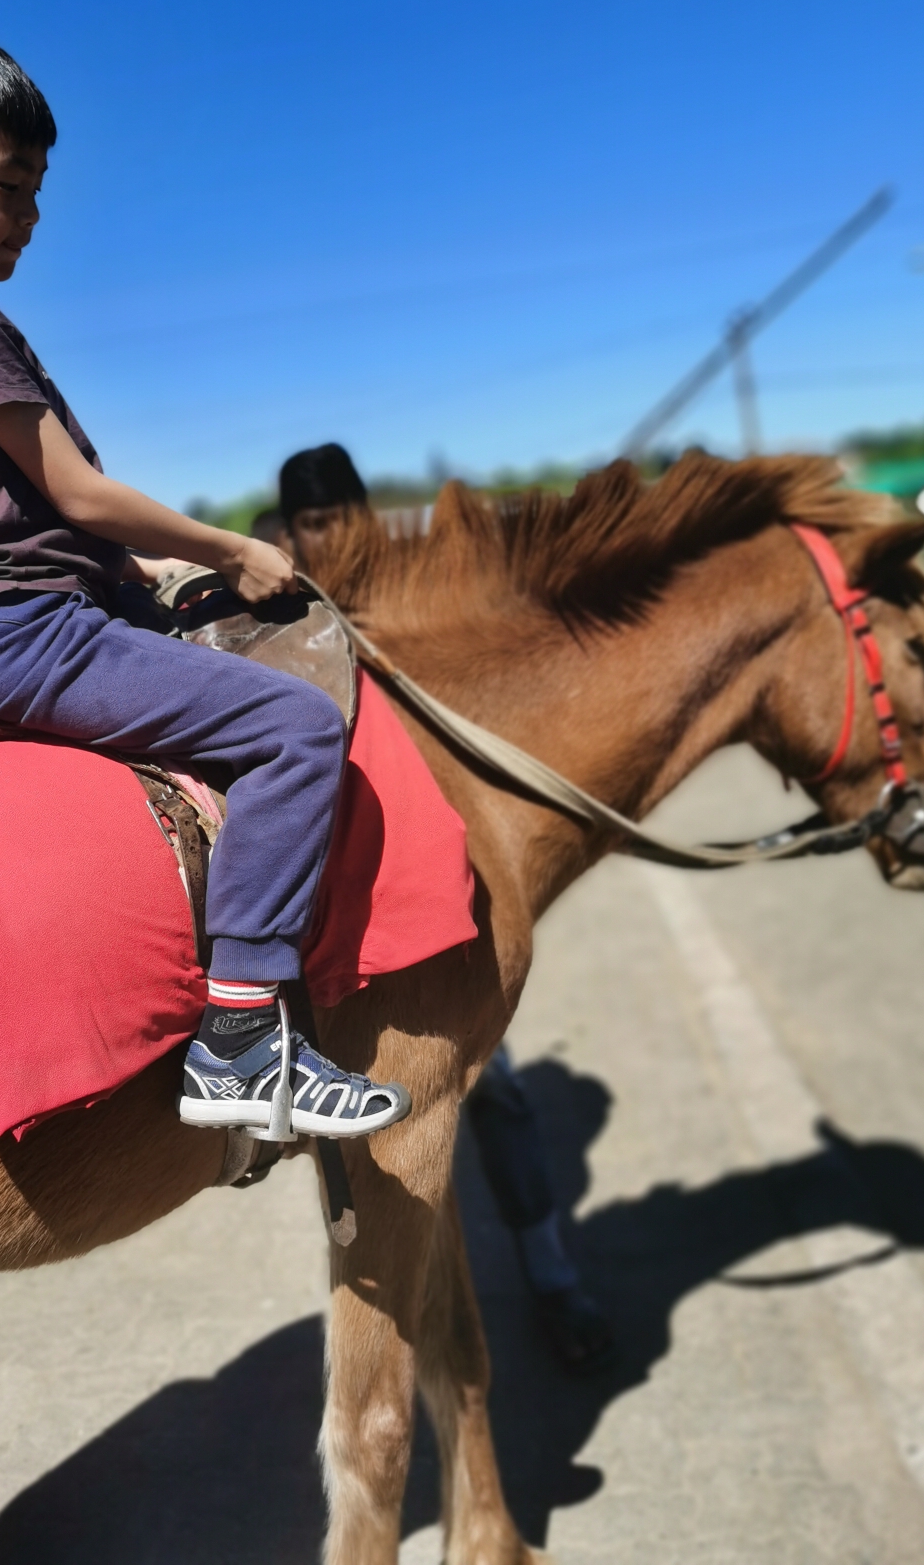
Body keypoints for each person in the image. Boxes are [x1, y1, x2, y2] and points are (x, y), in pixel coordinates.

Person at [0, 29, 410, 1142]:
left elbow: (37, 510)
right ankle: (244, 1037)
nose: (32, 215)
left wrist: (142, 568)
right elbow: (81, 493)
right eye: (9, 185)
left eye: (39, 190)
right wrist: (228, 551)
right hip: (15, 635)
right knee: (294, 728)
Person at [277, 443, 614, 1370]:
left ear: (357, 513)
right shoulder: (278, 591)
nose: (324, 537)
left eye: (335, 518)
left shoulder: (402, 573)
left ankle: (552, 1279)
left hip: (426, 866)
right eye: (308, 525)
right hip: (334, 882)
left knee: (494, 1096)